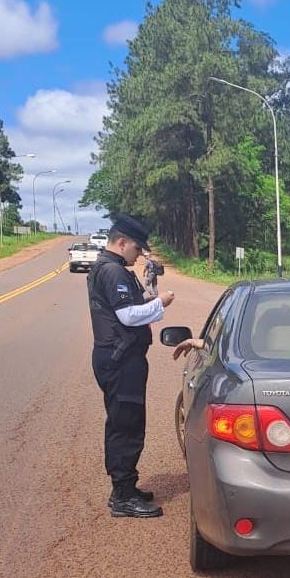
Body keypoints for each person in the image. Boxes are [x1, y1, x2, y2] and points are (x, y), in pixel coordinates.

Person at [87, 214, 175, 518]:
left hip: (120, 356)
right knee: (126, 425)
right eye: (137, 249)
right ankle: (123, 496)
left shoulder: (113, 269)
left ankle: (125, 487)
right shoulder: (112, 271)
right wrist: (160, 302)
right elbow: (127, 316)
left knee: (126, 421)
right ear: (121, 242)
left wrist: (149, 293)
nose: (139, 255)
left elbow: (128, 308)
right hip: (120, 358)